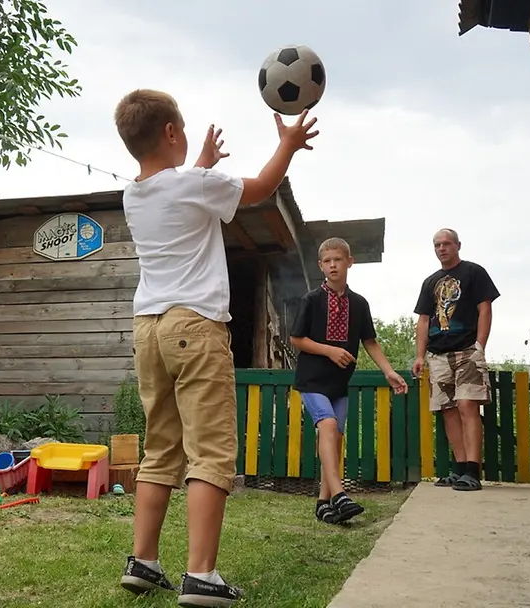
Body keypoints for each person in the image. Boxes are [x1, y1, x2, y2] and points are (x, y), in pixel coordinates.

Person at [113, 88, 319, 607]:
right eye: (181, 129)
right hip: (194, 326)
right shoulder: (195, 185)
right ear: (171, 133)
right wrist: (289, 144)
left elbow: (179, 192)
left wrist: (201, 163)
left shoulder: (134, 195)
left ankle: (143, 561)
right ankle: (201, 575)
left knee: (160, 448)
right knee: (210, 451)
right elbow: (263, 187)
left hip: (148, 328)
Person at [289, 237, 408, 524]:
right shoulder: (311, 300)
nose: (333, 265)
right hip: (312, 380)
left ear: (349, 262)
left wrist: (389, 371)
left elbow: (370, 341)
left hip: (339, 384)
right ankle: (340, 495)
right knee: (328, 426)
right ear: (320, 265)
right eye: (327, 261)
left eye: (338, 260)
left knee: (336, 439)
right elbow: (297, 339)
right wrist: (329, 350)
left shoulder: (359, 303)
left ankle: (323, 503)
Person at [412, 228, 500, 492]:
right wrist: (420, 355)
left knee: (467, 405)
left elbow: (485, 309)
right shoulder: (429, 282)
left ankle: (473, 470)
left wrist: (480, 345)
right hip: (438, 354)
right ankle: (460, 468)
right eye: (437, 245)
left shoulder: (474, 272)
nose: (441, 248)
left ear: (457, 245)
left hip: (467, 351)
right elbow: (423, 320)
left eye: (446, 243)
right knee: (448, 410)